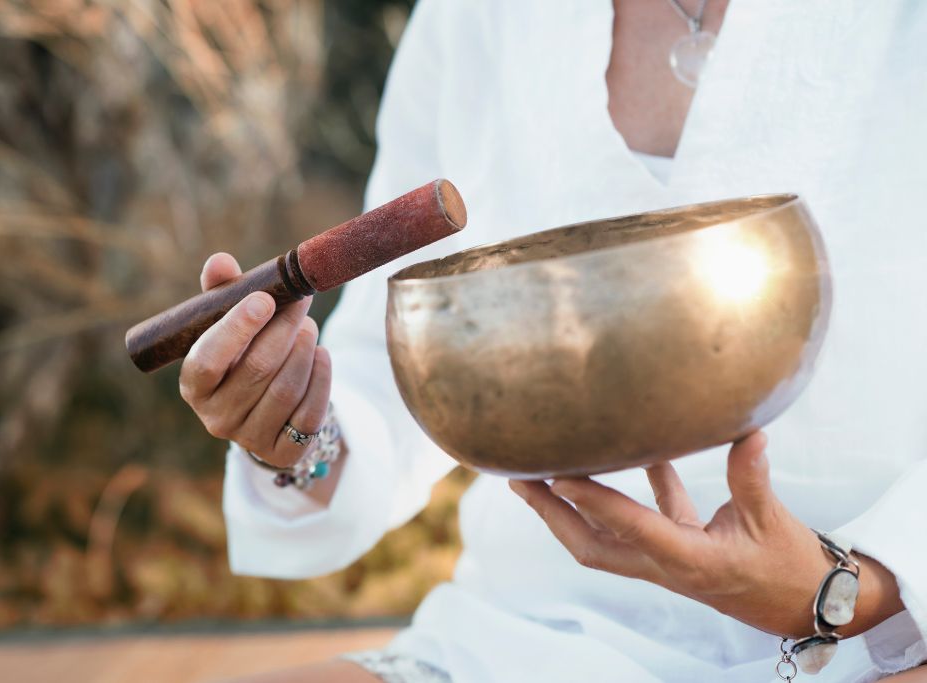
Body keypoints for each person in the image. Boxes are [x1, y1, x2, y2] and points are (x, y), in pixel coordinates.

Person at [178, 1, 927, 681]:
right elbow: (396, 373)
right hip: (527, 638)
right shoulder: (477, 17)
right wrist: (294, 431)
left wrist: (846, 587)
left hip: (881, 636)